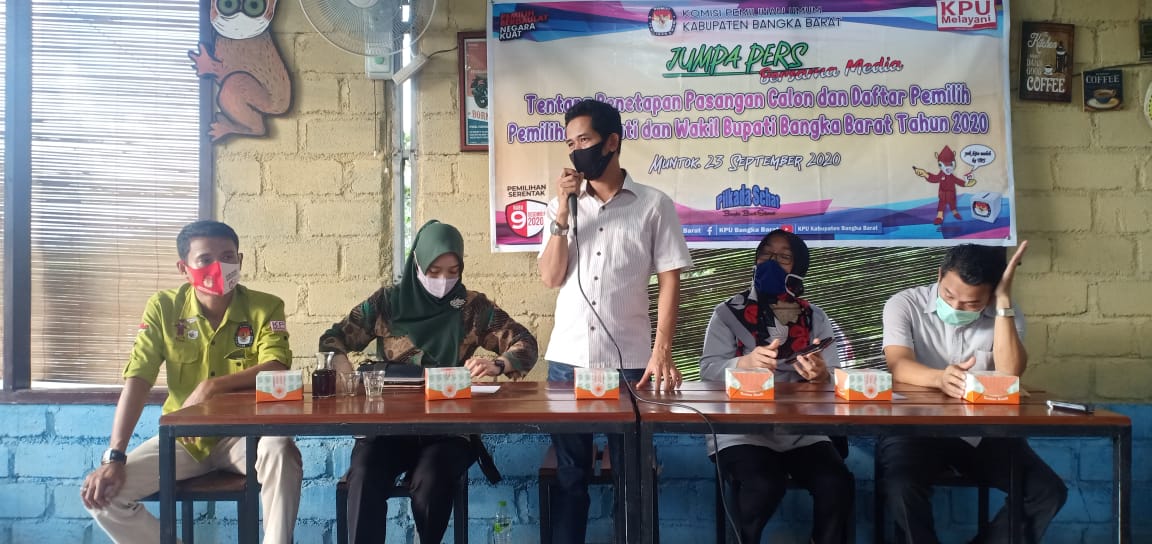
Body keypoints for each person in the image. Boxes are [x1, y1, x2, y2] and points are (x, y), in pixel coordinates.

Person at [81, 220, 303, 543]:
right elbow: (139, 379)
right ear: (184, 269)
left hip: (245, 438)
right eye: (205, 259)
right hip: (185, 440)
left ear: (240, 261)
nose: (219, 267)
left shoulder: (265, 307)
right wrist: (115, 455)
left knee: (281, 450)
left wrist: (212, 386)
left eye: (228, 257)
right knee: (103, 497)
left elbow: (277, 366)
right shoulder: (164, 308)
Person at [320, 220, 538, 544]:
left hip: (448, 430)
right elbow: (332, 338)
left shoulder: (471, 307)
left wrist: (497, 363)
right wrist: (340, 363)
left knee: (432, 481)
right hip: (389, 428)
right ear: (417, 264)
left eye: (453, 271)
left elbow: (525, 342)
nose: (443, 280)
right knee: (364, 475)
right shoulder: (387, 303)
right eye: (434, 271)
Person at [538, 98, 693, 543]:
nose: (576, 151)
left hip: (630, 364)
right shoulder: (560, 206)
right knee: (570, 477)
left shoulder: (654, 205)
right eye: (570, 144)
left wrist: (662, 352)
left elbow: (670, 281)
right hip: (568, 362)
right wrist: (563, 213)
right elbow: (550, 277)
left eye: (584, 140)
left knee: (633, 475)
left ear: (611, 142)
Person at [879, 241, 1067, 543]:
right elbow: (898, 365)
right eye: (948, 295)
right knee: (901, 487)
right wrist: (940, 378)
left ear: (990, 295)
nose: (955, 307)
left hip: (980, 433)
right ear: (939, 275)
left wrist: (1003, 301)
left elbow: (1010, 373)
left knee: (1047, 491)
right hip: (912, 429)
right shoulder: (904, 304)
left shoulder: (1005, 311)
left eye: (971, 304)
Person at [699, 229, 854, 544]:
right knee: (763, 485)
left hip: (802, 430)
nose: (771, 262)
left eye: (783, 257)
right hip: (740, 430)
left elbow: (836, 376)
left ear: (799, 268)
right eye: (766, 254)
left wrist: (821, 374)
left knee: (836, 483)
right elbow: (708, 371)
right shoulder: (727, 313)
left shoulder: (814, 317)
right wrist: (744, 363)